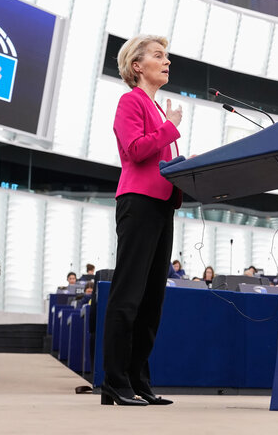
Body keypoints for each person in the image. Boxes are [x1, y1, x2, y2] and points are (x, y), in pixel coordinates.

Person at [102, 34, 182, 407]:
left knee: (152, 300)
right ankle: (115, 382)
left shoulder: (157, 110)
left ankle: (138, 380)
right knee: (129, 295)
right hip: (138, 202)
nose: (166, 61)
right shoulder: (130, 101)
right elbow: (135, 151)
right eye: (158, 56)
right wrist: (170, 128)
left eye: (167, 56)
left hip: (162, 205)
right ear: (137, 66)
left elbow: (161, 160)